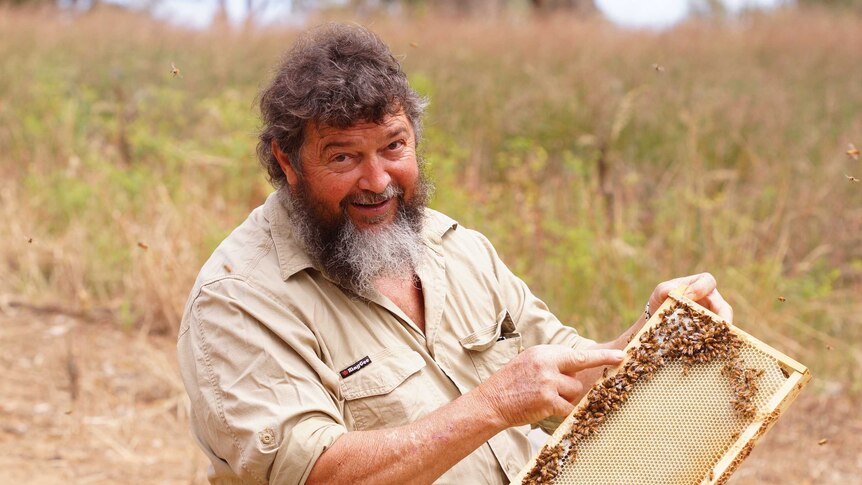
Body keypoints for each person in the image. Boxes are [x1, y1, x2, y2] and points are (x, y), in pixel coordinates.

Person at [177, 23, 733, 485]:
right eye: (343, 158)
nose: (378, 181)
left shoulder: (453, 246)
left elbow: (567, 379)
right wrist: (491, 405)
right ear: (288, 161)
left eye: (393, 146)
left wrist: (655, 335)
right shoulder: (237, 299)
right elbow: (316, 475)